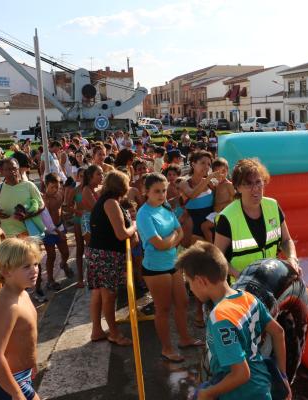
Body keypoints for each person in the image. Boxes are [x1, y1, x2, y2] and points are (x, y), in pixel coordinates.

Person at [175, 241, 290, 400]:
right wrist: (282, 377)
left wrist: (208, 393)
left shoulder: (220, 318)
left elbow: (241, 374)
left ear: (201, 281)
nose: (191, 289)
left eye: (189, 283)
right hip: (262, 387)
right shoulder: (248, 298)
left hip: (241, 394)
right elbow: (278, 332)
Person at [136, 173, 202, 362]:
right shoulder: (144, 213)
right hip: (155, 268)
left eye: (164, 190)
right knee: (163, 309)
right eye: (157, 191)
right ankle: (166, 348)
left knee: (182, 302)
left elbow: (180, 231)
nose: (161, 194)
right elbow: (160, 244)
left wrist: (171, 239)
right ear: (146, 192)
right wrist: (173, 238)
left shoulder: (165, 208)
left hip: (173, 264)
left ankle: (185, 339)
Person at [214, 158, 301, 280]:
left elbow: (286, 240)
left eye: (258, 182)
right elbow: (217, 256)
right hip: (241, 287)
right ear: (238, 187)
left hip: (272, 280)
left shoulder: (273, 206)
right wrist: (239, 275)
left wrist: (292, 258)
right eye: (248, 183)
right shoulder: (227, 217)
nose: (255, 188)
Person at [0, 238, 41, 400]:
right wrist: (16, 393)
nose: (35, 270)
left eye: (35, 264)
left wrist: (32, 363)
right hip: (7, 384)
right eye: (26, 266)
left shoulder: (22, 294)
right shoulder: (8, 307)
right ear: (6, 271)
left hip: (21, 377)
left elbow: (25, 337)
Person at [87, 170, 136, 346]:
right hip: (107, 255)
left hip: (98, 253)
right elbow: (122, 234)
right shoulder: (111, 203)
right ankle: (114, 333)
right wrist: (135, 226)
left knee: (98, 293)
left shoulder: (106, 201)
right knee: (108, 296)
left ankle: (97, 331)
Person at [178, 150, 219, 242]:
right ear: (193, 165)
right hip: (193, 230)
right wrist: (208, 178)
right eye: (203, 163)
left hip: (210, 228)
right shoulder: (184, 183)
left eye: (209, 164)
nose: (206, 166)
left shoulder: (211, 184)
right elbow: (192, 195)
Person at [42, 173, 72, 290]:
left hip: (59, 227)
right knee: (51, 256)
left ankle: (64, 264)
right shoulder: (44, 200)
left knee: (66, 253)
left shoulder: (60, 194)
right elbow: (47, 221)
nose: (55, 190)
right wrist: (59, 232)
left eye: (57, 187)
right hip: (49, 231)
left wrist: (64, 225)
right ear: (46, 185)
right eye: (52, 187)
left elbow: (60, 210)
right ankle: (50, 280)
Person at [201, 158, 235, 242]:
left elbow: (235, 198)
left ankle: (211, 245)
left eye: (223, 171)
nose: (221, 174)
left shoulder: (228, 184)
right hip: (216, 212)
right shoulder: (218, 184)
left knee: (204, 226)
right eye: (217, 172)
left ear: (227, 171)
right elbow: (216, 194)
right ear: (213, 173)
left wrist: (224, 205)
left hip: (222, 213)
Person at [66, 167, 87, 287]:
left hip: (91, 221)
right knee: (80, 249)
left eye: (85, 175)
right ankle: (80, 278)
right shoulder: (75, 190)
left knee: (91, 249)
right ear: (78, 177)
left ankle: (91, 275)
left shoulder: (93, 190)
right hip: (79, 221)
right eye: (81, 176)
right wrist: (78, 211)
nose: (83, 178)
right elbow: (66, 206)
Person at [81, 165, 104, 246]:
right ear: (90, 176)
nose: (102, 176)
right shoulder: (86, 189)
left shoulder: (99, 188)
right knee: (92, 249)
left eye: (102, 174)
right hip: (89, 222)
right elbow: (96, 208)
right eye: (98, 174)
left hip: (98, 220)